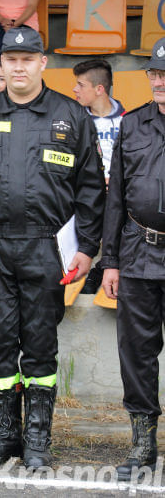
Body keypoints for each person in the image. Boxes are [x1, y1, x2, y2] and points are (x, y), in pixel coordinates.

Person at [0, 26, 105, 469]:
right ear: (2, 65)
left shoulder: (71, 116)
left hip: (46, 246)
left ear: (41, 63)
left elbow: (91, 191)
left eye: (26, 59)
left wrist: (88, 248)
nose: (17, 67)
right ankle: (3, 434)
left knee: (39, 342)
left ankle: (37, 439)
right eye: (10, 60)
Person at [100, 37, 165, 482]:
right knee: (137, 353)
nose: (159, 81)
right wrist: (111, 261)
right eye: (155, 74)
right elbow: (116, 199)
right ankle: (143, 442)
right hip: (140, 250)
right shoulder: (134, 124)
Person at [72, 58, 125, 295]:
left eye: (80, 85)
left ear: (99, 89)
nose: (75, 90)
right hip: (84, 190)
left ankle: (104, 268)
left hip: (119, 190)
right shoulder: (74, 121)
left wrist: (114, 183)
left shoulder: (129, 120)